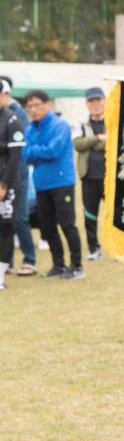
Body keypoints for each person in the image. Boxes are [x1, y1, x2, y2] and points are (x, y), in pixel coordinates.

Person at [23, 90, 83, 279]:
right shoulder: (30, 129)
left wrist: (35, 151)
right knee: (47, 227)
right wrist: (37, 151)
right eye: (30, 106)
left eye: (37, 105)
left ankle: (77, 265)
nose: (33, 109)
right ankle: (58, 265)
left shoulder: (60, 125)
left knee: (67, 224)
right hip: (41, 184)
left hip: (61, 181)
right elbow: (25, 155)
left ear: (47, 105)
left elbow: (53, 151)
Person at [0, 76, 36, 276]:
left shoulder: (16, 114)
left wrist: (5, 183)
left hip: (16, 174)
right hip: (6, 172)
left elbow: (17, 151)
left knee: (19, 218)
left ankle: (29, 258)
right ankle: (8, 263)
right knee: (6, 222)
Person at [73, 86, 107, 260]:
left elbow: (110, 144)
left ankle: (118, 249)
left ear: (104, 101)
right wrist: (97, 138)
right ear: (87, 104)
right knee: (90, 214)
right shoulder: (82, 123)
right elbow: (78, 144)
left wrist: (94, 142)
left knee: (113, 215)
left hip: (109, 177)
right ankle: (94, 248)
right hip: (89, 175)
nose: (95, 105)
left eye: (98, 100)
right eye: (91, 101)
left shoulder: (112, 121)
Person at [0, 79, 25, 288]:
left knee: (5, 227)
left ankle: (0, 276)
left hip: (7, 184)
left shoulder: (13, 120)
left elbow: (14, 157)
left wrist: (4, 185)